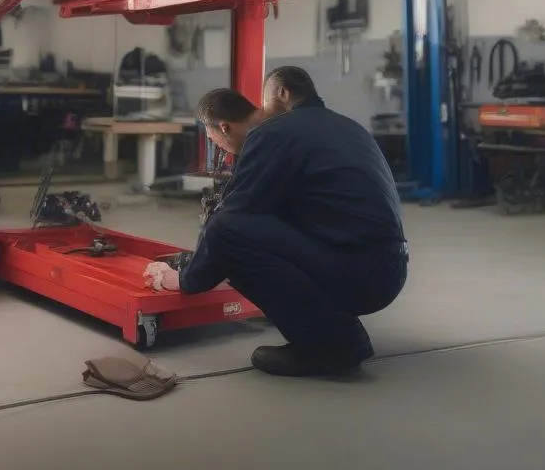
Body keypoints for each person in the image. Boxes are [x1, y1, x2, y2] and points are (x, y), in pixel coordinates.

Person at [143, 67, 408, 377]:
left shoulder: (276, 132)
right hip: (388, 269)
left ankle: (332, 344)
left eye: (265, 98)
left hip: (357, 273)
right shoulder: (349, 127)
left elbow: (229, 220)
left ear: (282, 94)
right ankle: (327, 326)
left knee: (227, 228)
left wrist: (184, 278)